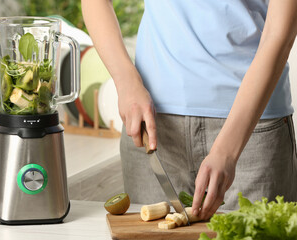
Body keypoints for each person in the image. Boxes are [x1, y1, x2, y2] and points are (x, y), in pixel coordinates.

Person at [81, 0, 297, 220]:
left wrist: (227, 151)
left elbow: (280, 33)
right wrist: (126, 81)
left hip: (251, 133)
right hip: (154, 128)